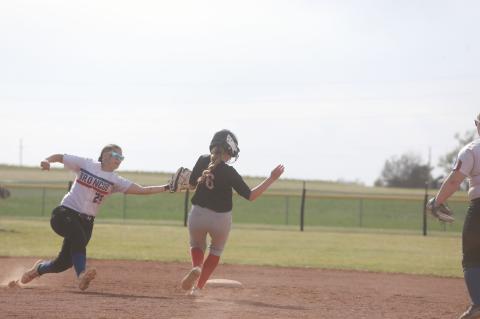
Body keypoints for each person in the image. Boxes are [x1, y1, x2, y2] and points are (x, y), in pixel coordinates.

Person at [20, 144, 171, 291]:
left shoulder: (115, 180)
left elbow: (143, 190)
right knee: (78, 237)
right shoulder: (87, 164)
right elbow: (60, 157)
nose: (119, 159)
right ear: (105, 155)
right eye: (116, 155)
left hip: (86, 223)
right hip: (64, 213)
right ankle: (81, 276)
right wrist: (47, 160)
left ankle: (37, 270)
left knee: (64, 263)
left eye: (121, 157)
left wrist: (167, 187)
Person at [180, 129, 284, 296]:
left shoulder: (202, 160)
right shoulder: (230, 172)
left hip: (197, 215)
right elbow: (251, 195)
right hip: (221, 219)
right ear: (229, 151)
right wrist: (271, 178)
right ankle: (197, 288)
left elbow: (191, 184)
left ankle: (196, 267)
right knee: (215, 251)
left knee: (197, 246)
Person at [430, 114, 480, 319]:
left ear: (477, 125)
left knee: (472, 256)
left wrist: (437, 202)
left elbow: (453, 182)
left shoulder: (472, 150)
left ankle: (478, 304)